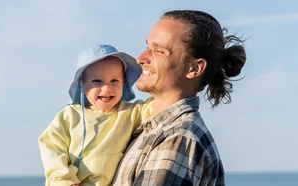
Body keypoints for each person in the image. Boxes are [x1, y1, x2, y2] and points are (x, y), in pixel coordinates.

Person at [111, 10, 247, 186]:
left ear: (194, 68)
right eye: (147, 47)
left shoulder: (179, 137)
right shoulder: (152, 128)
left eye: (159, 51)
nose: (141, 58)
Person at [38, 44, 151, 186]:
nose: (107, 88)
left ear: (124, 83)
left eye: (114, 81)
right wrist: (64, 179)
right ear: (81, 85)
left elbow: (158, 106)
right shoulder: (71, 115)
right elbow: (51, 146)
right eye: (97, 81)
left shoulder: (131, 112)